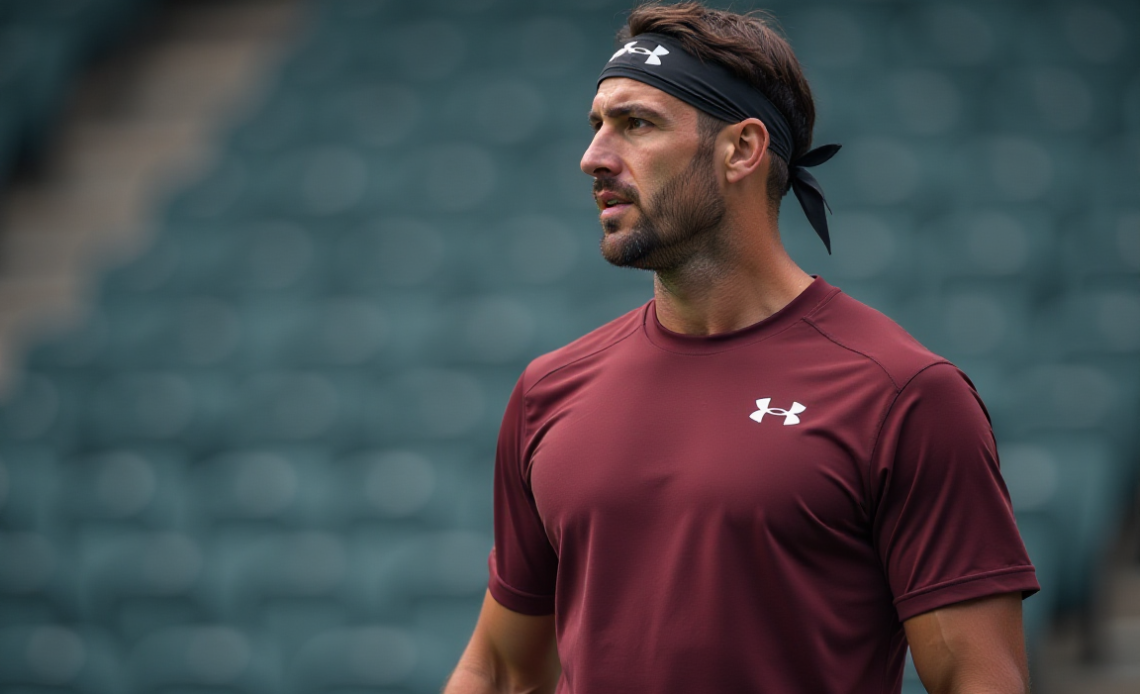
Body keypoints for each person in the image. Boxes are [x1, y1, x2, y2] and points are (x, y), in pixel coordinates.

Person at [444, 3, 1039, 693]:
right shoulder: (548, 390)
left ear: (742, 150)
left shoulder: (904, 395)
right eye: (597, 125)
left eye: (636, 124)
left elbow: (978, 678)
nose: (593, 158)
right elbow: (501, 669)